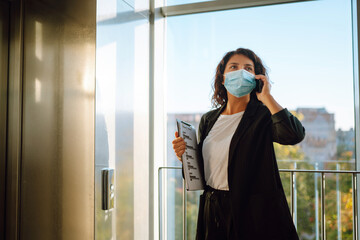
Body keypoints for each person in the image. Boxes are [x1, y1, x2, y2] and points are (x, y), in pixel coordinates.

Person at [172, 48, 305, 240]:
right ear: (223, 78)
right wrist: (184, 156)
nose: (241, 72)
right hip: (212, 209)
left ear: (256, 78)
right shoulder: (209, 119)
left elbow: (293, 135)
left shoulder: (263, 115)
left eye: (248, 68)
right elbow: (199, 174)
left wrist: (266, 97)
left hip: (251, 213)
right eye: (234, 67)